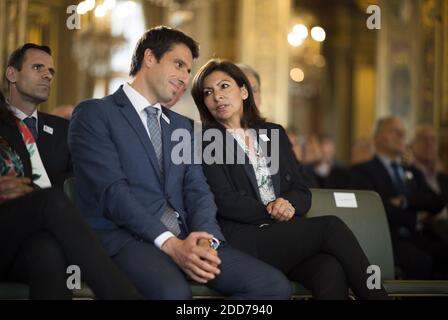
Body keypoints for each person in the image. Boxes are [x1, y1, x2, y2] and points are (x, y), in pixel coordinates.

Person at [68, 26, 291, 300]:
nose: (186, 78)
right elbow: (113, 193)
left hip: (189, 238)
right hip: (126, 239)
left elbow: (197, 190)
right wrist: (170, 244)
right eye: (179, 65)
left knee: (273, 286)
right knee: (174, 294)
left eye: (188, 70)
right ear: (149, 58)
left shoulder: (182, 127)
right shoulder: (95, 114)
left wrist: (207, 239)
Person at [191, 59, 388, 300]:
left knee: (329, 269)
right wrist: (273, 209)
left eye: (224, 86)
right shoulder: (206, 140)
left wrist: (288, 203)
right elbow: (223, 200)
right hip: (245, 239)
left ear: (243, 91)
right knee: (330, 226)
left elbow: (302, 189)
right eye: (208, 92)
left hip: (284, 237)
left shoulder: (274, 133)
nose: (217, 97)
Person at [0, 90, 140, 300]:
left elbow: (34, 181)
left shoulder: (11, 124)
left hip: (12, 234)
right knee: (51, 200)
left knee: (46, 251)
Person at [350, 116, 448, 279]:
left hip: (418, 236)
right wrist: (415, 217)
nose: (402, 136)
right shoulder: (362, 171)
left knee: (443, 253)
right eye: (395, 131)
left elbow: (437, 201)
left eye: (403, 132)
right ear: (377, 138)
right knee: (420, 261)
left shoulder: (411, 170)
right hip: (387, 239)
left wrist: (405, 201)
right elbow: (374, 208)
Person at [5, 43, 71, 189]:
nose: (48, 75)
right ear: (12, 74)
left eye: (51, 71)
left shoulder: (64, 129)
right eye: (37, 67)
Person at [411, 125, 448, 248]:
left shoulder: (443, 177)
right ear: (412, 145)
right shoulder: (406, 173)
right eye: (423, 139)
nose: (429, 144)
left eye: (433, 140)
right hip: (424, 231)